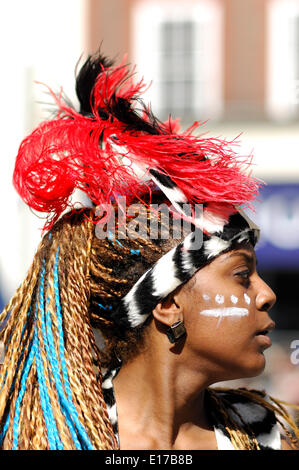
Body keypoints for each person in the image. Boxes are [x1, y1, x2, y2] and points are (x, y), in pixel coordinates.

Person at [0, 51, 298, 451]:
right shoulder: (44, 438)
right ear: (167, 303)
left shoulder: (273, 435)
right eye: (242, 276)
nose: (267, 294)